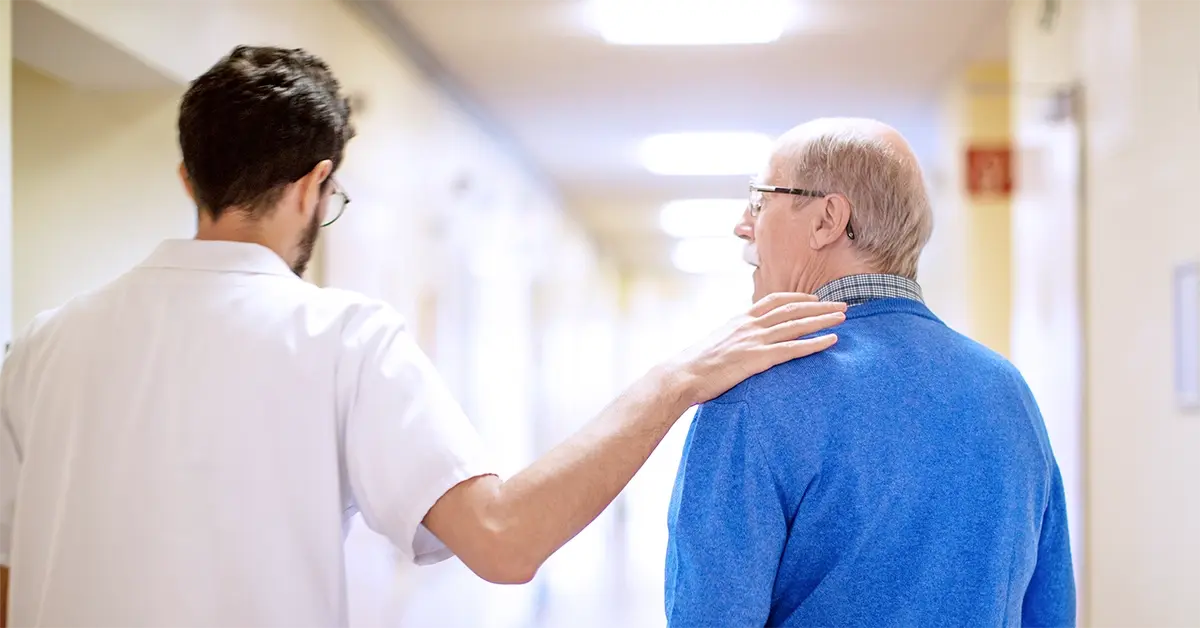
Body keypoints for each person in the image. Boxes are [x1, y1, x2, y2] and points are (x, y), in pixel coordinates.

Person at [0, 46, 848, 628]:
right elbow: (504, 539)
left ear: (189, 175)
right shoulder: (341, 336)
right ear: (317, 181)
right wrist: (678, 379)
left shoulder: (40, 347)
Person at [664, 118, 1075, 627]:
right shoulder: (1008, 393)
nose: (743, 225)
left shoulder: (753, 397)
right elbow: (1050, 611)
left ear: (827, 219)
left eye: (760, 199)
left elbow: (708, 616)